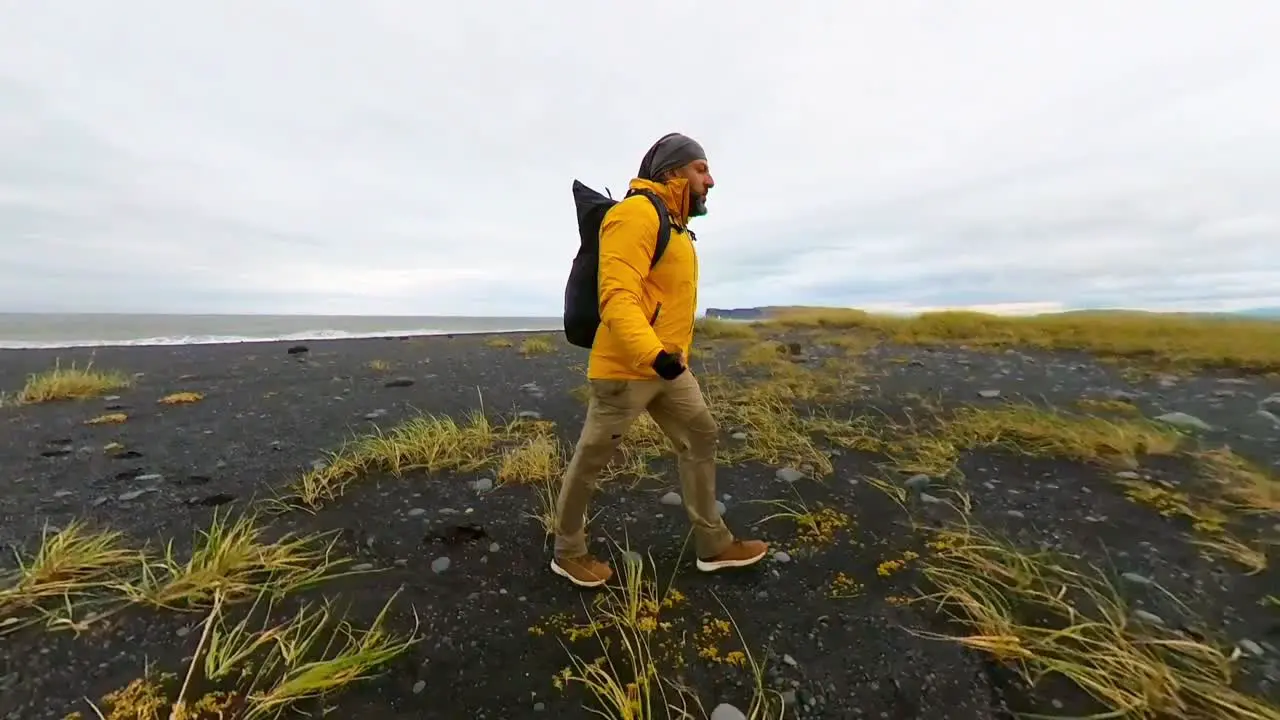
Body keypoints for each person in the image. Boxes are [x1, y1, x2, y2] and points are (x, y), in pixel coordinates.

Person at [551, 132, 769, 588]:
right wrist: (654, 355)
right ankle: (567, 552)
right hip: (626, 369)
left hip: (669, 368)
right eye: (701, 169)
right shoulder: (635, 215)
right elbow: (618, 297)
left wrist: (670, 359)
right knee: (593, 459)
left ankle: (714, 545)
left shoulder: (678, 227)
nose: (710, 180)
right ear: (672, 172)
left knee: (701, 436)